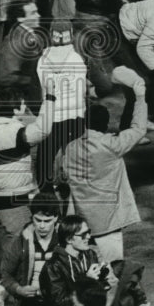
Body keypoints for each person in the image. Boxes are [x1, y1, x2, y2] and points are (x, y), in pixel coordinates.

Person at [59, 68, 148, 263]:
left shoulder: (69, 147)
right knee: (112, 271)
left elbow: (60, 175)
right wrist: (140, 98)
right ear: (106, 125)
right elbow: (139, 127)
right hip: (108, 222)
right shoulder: (113, 145)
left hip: (80, 221)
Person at [0, 192, 62, 306]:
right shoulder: (21, 241)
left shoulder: (64, 240)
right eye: (37, 220)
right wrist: (18, 289)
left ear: (56, 218)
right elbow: (4, 273)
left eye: (47, 221)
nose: (42, 226)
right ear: (32, 217)